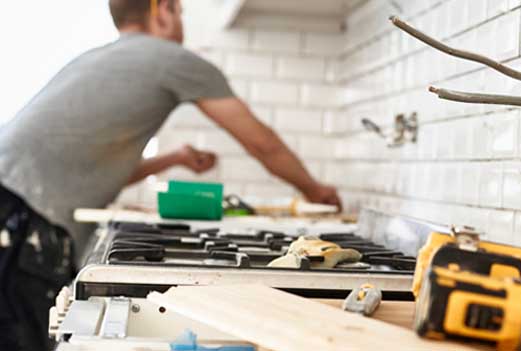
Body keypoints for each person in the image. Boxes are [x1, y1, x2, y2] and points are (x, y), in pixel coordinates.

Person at [0, 0, 342, 350]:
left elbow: (97, 172)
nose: (181, 22)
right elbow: (262, 143)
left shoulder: (94, 59)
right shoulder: (173, 59)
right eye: (180, 12)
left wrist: (173, 159)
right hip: (20, 220)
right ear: (161, 9)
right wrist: (315, 191)